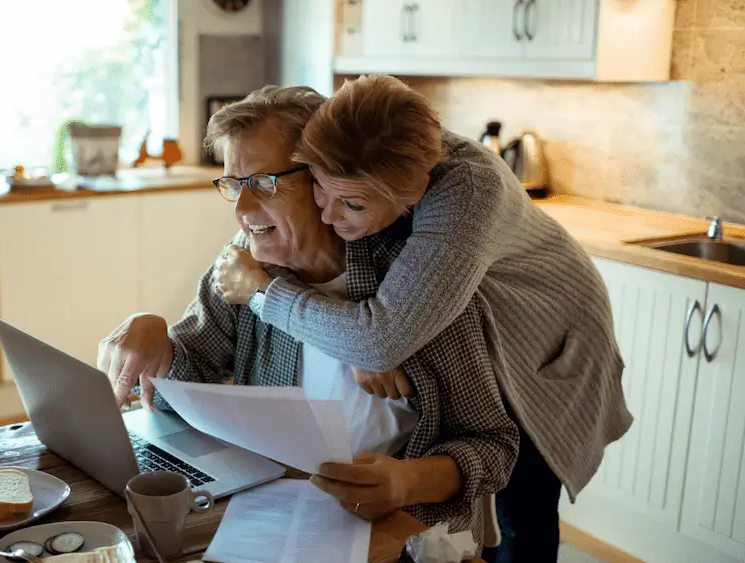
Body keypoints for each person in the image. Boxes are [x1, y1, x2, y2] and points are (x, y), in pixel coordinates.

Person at [212, 75, 632, 563]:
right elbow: (375, 335)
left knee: (526, 506)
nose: (329, 216)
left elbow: (379, 341)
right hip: (463, 313)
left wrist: (274, 297)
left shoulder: (467, 193)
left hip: (547, 336)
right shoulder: (350, 150)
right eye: (321, 192)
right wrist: (368, 336)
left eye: (352, 204)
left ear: (413, 195)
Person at [99, 85, 518, 551]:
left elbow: (493, 445)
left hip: (399, 537)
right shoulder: (243, 269)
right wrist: (151, 331)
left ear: (324, 175)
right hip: (277, 519)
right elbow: (182, 393)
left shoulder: (415, 290)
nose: (241, 210)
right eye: (233, 185)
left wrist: (406, 482)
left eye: (263, 183)